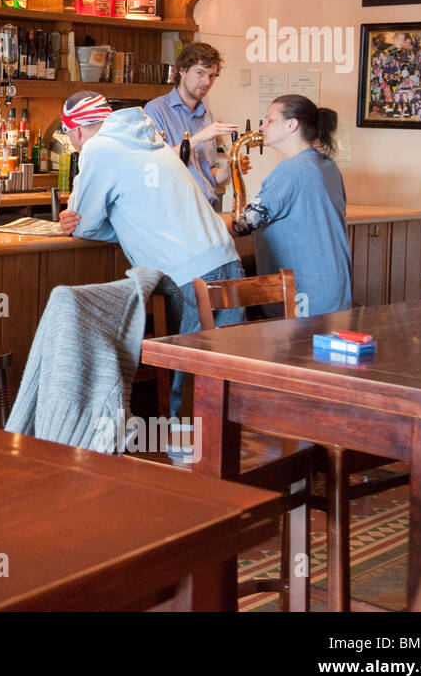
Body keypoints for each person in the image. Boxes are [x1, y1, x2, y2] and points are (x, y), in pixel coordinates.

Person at [56, 92, 244, 417]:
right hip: (225, 258)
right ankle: (224, 458)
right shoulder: (149, 137)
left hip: (188, 272)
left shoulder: (98, 148)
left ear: (75, 131)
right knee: (225, 377)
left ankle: (183, 460)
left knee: (189, 383)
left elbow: (83, 222)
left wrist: (75, 220)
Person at [230, 95, 351, 317]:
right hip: (334, 285)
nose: (262, 126)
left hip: (306, 290)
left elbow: (242, 225)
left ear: (291, 124)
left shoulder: (290, 170)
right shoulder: (327, 165)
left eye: (269, 120)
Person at [144, 42, 239, 208]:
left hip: (207, 207)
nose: (206, 82)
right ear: (182, 71)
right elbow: (155, 163)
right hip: (174, 209)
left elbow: (208, 173)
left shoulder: (206, 116)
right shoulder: (155, 110)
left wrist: (230, 169)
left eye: (212, 76)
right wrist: (200, 137)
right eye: (200, 73)